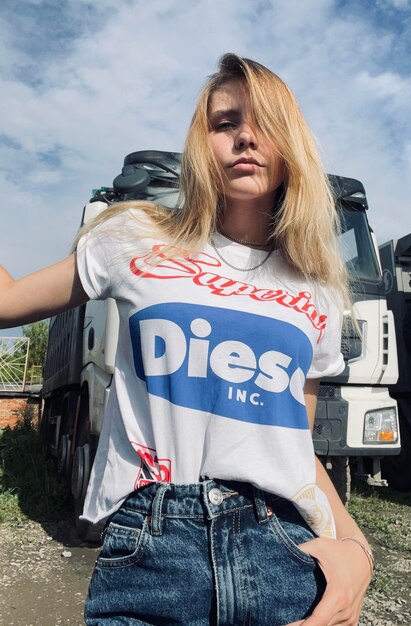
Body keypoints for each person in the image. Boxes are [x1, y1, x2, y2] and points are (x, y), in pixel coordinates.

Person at [0, 54, 373, 625]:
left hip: (279, 548)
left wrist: (358, 552)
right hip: (150, 545)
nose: (246, 136)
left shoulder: (316, 289)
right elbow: (8, 304)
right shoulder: (135, 238)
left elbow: (294, 448)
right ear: (202, 144)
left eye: (265, 123)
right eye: (225, 123)